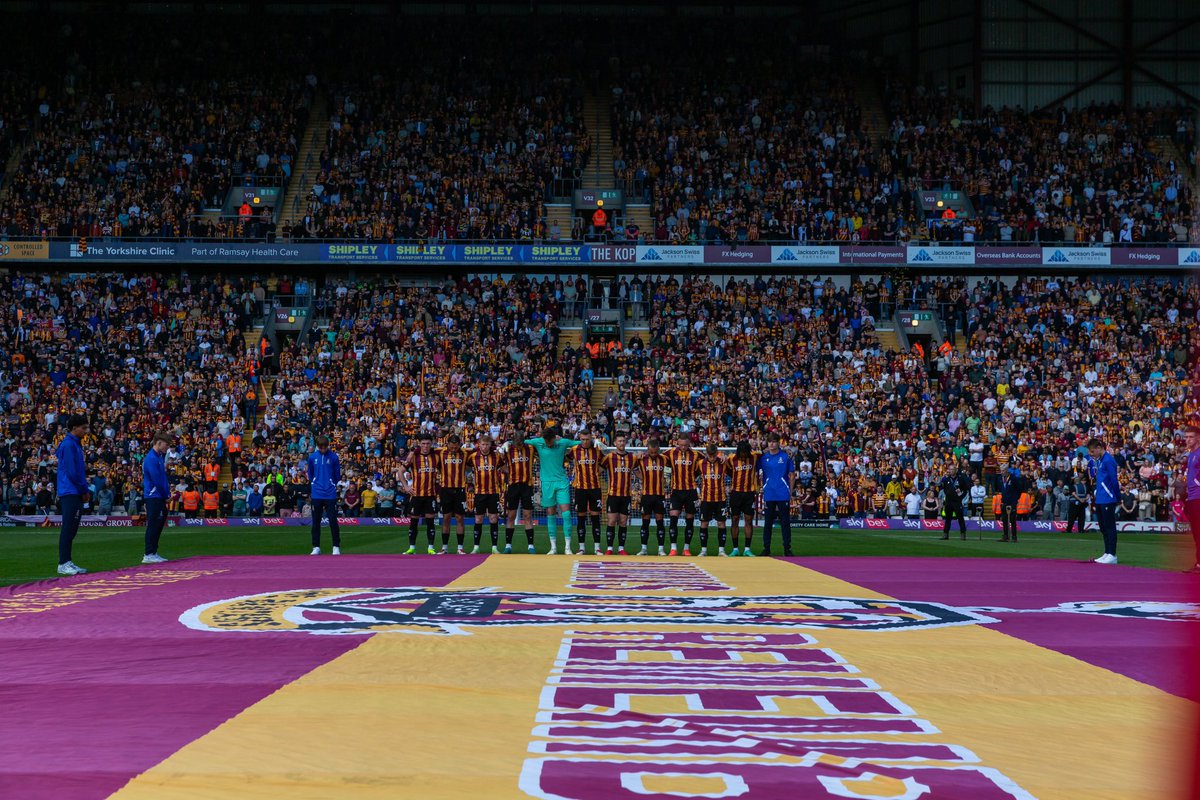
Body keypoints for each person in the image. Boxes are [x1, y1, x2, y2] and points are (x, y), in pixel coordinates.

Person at [526, 426, 583, 555]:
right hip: (546, 483)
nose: (548, 444)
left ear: (554, 438)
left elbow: (578, 443)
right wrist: (507, 443)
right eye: (546, 441)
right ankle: (553, 548)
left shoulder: (562, 442)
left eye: (550, 441)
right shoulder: (538, 442)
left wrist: (595, 441)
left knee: (566, 514)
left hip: (562, 481)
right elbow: (522, 442)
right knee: (550, 512)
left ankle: (567, 548)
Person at [55, 414, 91, 576]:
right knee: (69, 527)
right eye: (84, 428)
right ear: (74, 428)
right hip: (70, 490)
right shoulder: (69, 444)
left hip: (72, 489)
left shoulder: (74, 444)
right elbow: (72, 472)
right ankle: (63, 563)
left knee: (71, 528)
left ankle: (67, 561)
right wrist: (84, 489)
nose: (86, 431)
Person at [502, 426, 539, 553]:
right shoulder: (508, 449)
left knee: (528, 515)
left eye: (520, 443)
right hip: (513, 486)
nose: (518, 445)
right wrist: (510, 471)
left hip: (526, 486)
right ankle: (508, 545)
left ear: (523, 441)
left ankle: (531, 546)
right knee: (511, 515)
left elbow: (540, 444)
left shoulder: (530, 448)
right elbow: (500, 464)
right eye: (516, 443)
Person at [466, 435, 506, 554]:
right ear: (479, 444)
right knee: (478, 519)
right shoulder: (473, 457)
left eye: (487, 444)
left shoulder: (497, 456)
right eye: (483, 444)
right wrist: (469, 481)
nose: (485, 447)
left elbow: (504, 468)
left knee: (494, 518)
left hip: (493, 492)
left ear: (490, 445)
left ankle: (494, 547)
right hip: (479, 492)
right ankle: (476, 547)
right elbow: (466, 467)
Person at [401, 433, 440, 554]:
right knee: (413, 522)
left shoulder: (436, 456)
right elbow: (400, 472)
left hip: (430, 495)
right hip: (416, 495)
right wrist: (406, 486)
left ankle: (430, 548)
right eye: (423, 443)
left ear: (431, 444)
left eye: (428, 443)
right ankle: (412, 547)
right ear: (419, 444)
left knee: (430, 522)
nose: (425, 446)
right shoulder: (413, 457)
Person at [757, 434, 795, 556]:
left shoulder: (785, 456)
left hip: (783, 493)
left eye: (774, 442)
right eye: (770, 442)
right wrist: (759, 487)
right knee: (768, 522)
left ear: (778, 443)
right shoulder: (763, 458)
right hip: (769, 493)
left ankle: (787, 548)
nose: (772, 444)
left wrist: (791, 490)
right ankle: (766, 548)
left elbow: (792, 474)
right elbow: (755, 472)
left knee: (785, 522)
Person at [600, 435, 636, 555]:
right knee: (611, 521)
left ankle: (621, 548)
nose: (622, 443)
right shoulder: (609, 457)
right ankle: (609, 548)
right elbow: (598, 470)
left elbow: (638, 469)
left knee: (623, 522)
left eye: (623, 441)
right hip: (613, 494)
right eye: (619, 441)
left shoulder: (632, 457)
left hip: (626, 495)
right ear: (615, 443)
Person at [306, 435, 342, 555]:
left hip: (330, 494)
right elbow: (310, 473)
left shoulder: (334, 457)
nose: (323, 449)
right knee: (316, 521)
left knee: (333, 520)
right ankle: (316, 546)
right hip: (316, 493)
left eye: (325, 447)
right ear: (317, 446)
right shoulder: (312, 457)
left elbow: (337, 475)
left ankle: (336, 546)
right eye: (321, 447)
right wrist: (314, 483)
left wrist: (332, 483)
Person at [1088, 438, 1120, 564]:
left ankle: (1112, 554)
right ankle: (1107, 553)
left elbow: (1113, 479)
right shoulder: (1100, 460)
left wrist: (1117, 496)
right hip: (1101, 498)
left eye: (1092, 451)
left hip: (1108, 498)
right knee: (1103, 527)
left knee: (1110, 527)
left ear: (1099, 448)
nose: (1091, 454)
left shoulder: (1108, 460)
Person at [141, 433, 172, 564]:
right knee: (154, 524)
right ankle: (148, 553)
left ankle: (153, 552)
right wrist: (166, 496)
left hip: (158, 495)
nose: (168, 447)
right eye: (167, 444)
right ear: (159, 442)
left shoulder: (158, 457)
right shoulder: (151, 458)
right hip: (154, 496)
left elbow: (161, 479)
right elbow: (157, 480)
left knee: (158, 524)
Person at [636, 436, 670, 555]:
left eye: (656, 452)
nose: (654, 454)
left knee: (660, 521)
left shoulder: (665, 459)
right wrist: (642, 478)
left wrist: (667, 479)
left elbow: (673, 468)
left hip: (660, 495)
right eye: (651, 452)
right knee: (645, 521)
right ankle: (643, 548)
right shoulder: (641, 459)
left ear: (659, 449)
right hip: (646, 495)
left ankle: (661, 549)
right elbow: (634, 468)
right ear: (647, 449)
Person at [571, 434, 604, 554]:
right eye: (583, 439)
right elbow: (564, 457)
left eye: (587, 439)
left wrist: (597, 472)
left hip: (595, 488)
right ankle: (581, 548)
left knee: (595, 517)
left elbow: (605, 462)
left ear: (591, 439)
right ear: (580, 439)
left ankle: (597, 548)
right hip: (580, 488)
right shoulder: (575, 450)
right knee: (581, 517)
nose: (585, 442)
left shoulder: (597, 449)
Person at [666, 434, 699, 556]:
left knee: (689, 520)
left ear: (689, 443)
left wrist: (722, 458)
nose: (683, 447)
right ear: (677, 443)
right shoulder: (670, 453)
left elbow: (707, 461)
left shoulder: (696, 454)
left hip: (691, 491)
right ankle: (673, 548)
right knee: (673, 518)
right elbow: (656, 457)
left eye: (686, 445)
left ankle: (686, 548)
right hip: (676, 491)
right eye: (681, 445)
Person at [695, 443, 729, 556]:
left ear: (717, 453)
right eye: (710, 455)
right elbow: (691, 475)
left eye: (714, 455)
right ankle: (703, 550)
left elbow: (734, 472)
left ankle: (721, 550)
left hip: (721, 499)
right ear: (706, 454)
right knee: (704, 523)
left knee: (721, 523)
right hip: (706, 499)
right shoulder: (700, 464)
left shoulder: (723, 462)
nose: (712, 458)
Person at [727, 441, 758, 556]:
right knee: (734, 520)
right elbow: (725, 468)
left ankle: (747, 549)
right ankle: (735, 549)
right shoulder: (731, 459)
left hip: (749, 494)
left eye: (746, 453)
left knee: (748, 520)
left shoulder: (754, 456)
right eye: (742, 453)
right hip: (736, 494)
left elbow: (765, 454)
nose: (744, 456)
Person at [1182, 425, 1200, 572]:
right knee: (1196, 532)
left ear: (1198, 438)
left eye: (1191, 437)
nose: (1187, 440)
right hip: (1193, 497)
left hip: (1198, 497)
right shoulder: (1191, 454)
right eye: (1186, 437)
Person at [998, 465, 1025, 542]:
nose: (1001, 472)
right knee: (1004, 520)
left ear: (1007, 470)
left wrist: (1015, 500)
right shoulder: (1000, 479)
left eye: (1003, 470)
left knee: (1012, 520)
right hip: (1004, 502)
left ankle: (1014, 536)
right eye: (1001, 470)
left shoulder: (1013, 478)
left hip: (1012, 503)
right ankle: (1005, 536)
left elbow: (1019, 490)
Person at [939, 467, 968, 540]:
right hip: (948, 502)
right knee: (947, 518)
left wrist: (961, 497)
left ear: (956, 470)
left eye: (952, 469)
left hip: (957, 502)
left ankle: (963, 534)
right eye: (950, 469)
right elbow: (945, 489)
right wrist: (948, 495)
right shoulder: (947, 479)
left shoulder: (961, 479)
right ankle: (945, 534)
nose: (951, 471)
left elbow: (965, 490)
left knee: (960, 518)